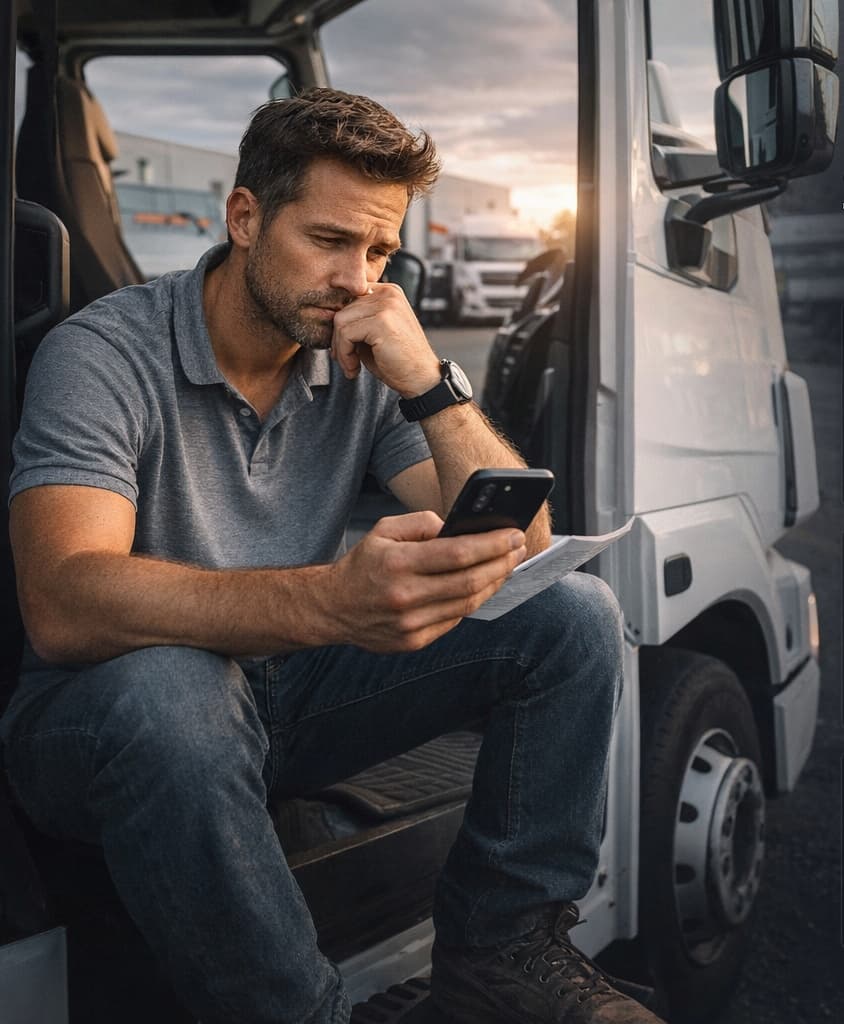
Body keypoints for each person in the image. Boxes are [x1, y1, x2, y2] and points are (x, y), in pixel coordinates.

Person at [0, 88, 664, 1024]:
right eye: (329, 240)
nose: (359, 278)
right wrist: (333, 603)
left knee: (570, 620)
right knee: (176, 693)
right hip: (99, 725)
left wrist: (430, 382)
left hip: (280, 699)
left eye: (381, 249)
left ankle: (502, 948)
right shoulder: (105, 353)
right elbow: (63, 602)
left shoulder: (355, 348)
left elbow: (528, 545)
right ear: (244, 217)